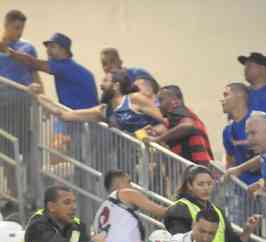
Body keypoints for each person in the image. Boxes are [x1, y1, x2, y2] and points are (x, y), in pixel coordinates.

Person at [33, 68, 163, 134]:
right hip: (127, 160)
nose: (101, 85)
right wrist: (38, 97)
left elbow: (163, 122)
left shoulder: (134, 99)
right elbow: (64, 115)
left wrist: (151, 133)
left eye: (105, 81)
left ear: (116, 86)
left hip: (153, 154)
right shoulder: (103, 110)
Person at [0, 32, 97, 109]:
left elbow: (35, 63)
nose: (48, 50)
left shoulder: (65, 67)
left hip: (79, 122)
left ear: (64, 51)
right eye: (47, 47)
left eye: (52, 47)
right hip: (82, 120)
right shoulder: (73, 68)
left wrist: (8, 51)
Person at [221, 82, 266, 185]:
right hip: (244, 191)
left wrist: (240, 169)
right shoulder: (227, 131)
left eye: (226, 95)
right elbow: (230, 162)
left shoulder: (262, 119)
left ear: (240, 95)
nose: (222, 100)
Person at [93, 169, 168, 242]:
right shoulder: (124, 193)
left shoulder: (100, 211)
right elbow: (161, 211)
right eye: (129, 182)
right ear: (117, 185)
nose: (132, 187)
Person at [147, 85, 214, 165]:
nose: (157, 105)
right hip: (198, 168)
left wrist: (157, 139)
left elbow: (188, 125)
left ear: (175, 101)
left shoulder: (177, 109)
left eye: (161, 100)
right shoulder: (182, 117)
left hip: (197, 169)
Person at [227, 112, 266, 193]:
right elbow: (261, 159)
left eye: (253, 133)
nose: (249, 139)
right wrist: (239, 169)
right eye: (247, 134)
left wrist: (262, 185)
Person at [0, 9, 42, 87]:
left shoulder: (28, 47)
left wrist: (41, 95)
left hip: (24, 95)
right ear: (6, 25)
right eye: (17, 28)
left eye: (22, 28)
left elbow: (35, 75)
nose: (20, 32)